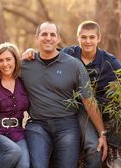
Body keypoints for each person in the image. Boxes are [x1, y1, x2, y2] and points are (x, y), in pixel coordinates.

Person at [22, 20, 121, 168]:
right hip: (80, 108)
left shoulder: (109, 61)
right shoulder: (69, 54)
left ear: (99, 38)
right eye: (84, 37)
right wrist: (30, 51)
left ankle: (114, 148)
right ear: (78, 38)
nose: (88, 41)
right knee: (93, 147)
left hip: (101, 105)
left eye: (92, 37)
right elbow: (50, 51)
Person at [21, 21, 107, 168]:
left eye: (52, 34)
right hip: (37, 125)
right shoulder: (24, 64)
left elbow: (88, 100)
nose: (48, 38)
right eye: (44, 34)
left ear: (58, 38)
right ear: (37, 37)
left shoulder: (73, 65)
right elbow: (0, 78)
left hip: (66, 125)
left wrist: (102, 133)